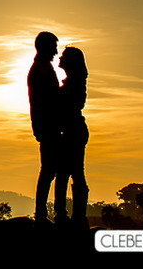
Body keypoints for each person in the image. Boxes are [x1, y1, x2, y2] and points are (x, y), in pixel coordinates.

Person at [27, 31, 61, 223]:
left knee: (50, 170)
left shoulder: (44, 67)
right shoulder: (39, 70)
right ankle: (41, 214)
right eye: (53, 47)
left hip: (49, 125)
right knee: (49, 170)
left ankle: (43, 213)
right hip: (47, 126)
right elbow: (39, 102)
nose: (56, 51)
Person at [57, 45, 89, 227]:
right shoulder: (73, 81)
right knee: (72, 173)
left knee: (69, 173)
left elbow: (71, 106)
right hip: (74, 130)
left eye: (63, 56)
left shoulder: (75, 83)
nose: (59, 58)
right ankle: (73, 215)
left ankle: (70, 215)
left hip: (74, 131)